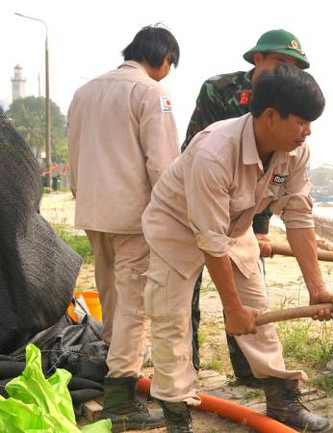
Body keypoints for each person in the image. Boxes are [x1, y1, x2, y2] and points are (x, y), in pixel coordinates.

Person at [141, 64, 333, 433]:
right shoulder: (215, 151)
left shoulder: (295, 152)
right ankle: (177, 415)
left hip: (234, 225)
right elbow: (209, 239)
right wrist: (231, 310)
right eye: (301, 122)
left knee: (257, 310)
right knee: (172, 320)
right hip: (176, 227)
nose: (308, 131)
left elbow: (298, 216)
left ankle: (281, 401)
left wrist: (317, 288)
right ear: (270, 117)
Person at [67, 25, 181, 430]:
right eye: (169, 65)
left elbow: (74, 155)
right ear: (163, 58)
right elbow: (163, 164)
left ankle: (113, 365)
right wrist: (172, 217)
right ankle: (121, 397)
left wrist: (82, 196)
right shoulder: (152, 92)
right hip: (135, 216)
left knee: (111, 294)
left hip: (93, 211)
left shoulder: (84, 92)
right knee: (134, 304)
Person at [182, 29, 310, 383]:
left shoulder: (293, 103)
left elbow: (276, 172)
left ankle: (250, 371)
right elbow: (200, 154)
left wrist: (261, 227)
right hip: (202, 199)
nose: (287, 71)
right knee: (184, 297)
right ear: (258, 59)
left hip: (246, 211)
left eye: (294, 66)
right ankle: (186, 370)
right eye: (281, 62)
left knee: (249, 295)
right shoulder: (219, 90)